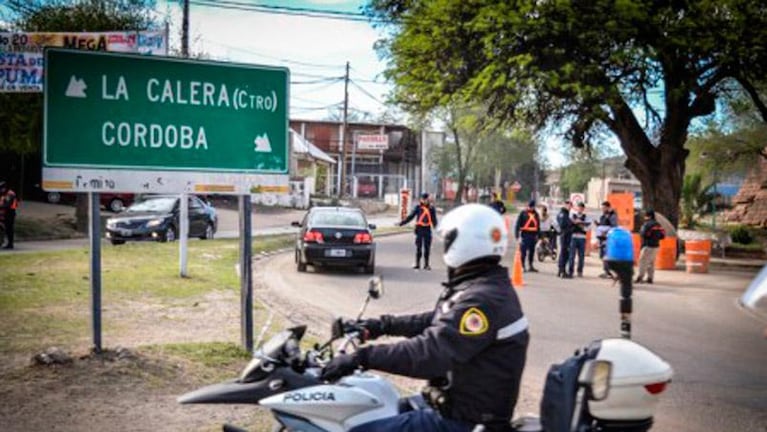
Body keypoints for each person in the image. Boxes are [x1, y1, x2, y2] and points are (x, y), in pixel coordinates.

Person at [322, 204, 529, 432]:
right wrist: (378, 326)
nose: (445, 248)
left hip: (465, 421)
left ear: (465, 243)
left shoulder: (484, 301)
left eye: (449, 240)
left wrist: (361, 357)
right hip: (454, 406)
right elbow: (435, 320)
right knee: (378, 408)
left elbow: (430, 352)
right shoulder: (482, 286)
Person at [399, 192, 438, 270]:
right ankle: (417, 263)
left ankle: (426, 264)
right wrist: (401, 223)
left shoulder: (431, 208)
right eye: (423, 199)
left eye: (426, 199)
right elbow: (411, 216)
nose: (425, 201)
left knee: (427, 248)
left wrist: (437, 227)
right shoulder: (418, 207)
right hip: (419, 229)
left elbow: (434, 219)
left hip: (427, 229)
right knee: (418, 247)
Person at [635, 209, 665, 284]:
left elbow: (642, 234)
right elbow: (662, 236)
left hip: (647, 246)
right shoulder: (658, 224)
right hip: (656, 246)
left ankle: (640, 277)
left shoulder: (647, 224)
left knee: (643, 262)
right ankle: (650, 278)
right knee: (651, 262)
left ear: (648, 216)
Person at [514, 200, 540, 272]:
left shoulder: (536, 214)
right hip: (525, 235)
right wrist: (517, 235)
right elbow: (518, 225)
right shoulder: (523, 213)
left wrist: (538, 235)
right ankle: (522, 265)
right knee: (523, 251)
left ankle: (531, 265)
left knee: (532, 251)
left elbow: (538, 225)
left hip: (533, 235)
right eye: (530, 207)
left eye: (532, 207)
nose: (531, 208)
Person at [596, 201, 619, 278]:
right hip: (602, 238)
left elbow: (614, 227)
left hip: (608, 239)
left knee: (607, 255)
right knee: (602, 255)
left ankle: (609, 272)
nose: (602, 209)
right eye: (602, 208)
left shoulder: (612, 216)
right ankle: (606, 271)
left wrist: (606, 232)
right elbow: (603, 224)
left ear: (608, 207)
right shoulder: (603, 215)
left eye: (604, 208)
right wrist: (598, 225)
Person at [568, 202, 591, 278]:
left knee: (581, 256)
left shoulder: (586, 217)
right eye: (579, 207)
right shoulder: (572, 216)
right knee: (572, 255)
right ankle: (570, 271)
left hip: (582, 237)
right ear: (577, 208)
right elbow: (570, 225)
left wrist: (581, 225)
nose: (580, 209)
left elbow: (588, 228)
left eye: (582, 208)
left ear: (583, 209)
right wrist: (575, 223)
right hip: (574, 237)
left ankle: (580, 271)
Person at [556, 200, 573, 278]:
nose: (570, 207)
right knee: (564, 253)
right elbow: (563, 224)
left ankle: (561, 270)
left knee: (564, 253)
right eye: (569, 205)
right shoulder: (563, 214)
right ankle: (562, 271)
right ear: (565, 205)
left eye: (570, 206)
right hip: (565, 235)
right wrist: (571, 224)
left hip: (565, 235)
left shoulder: (564, 213)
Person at [0, 181, 18, 250]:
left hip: (10, 213)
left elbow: (7, 205)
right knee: (3, 228)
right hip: (3, 213)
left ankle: (10, 244)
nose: (1, 190)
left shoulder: (10, 194)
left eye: (1, 188)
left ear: (5, 188)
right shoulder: (3, 194)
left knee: (9, 229)